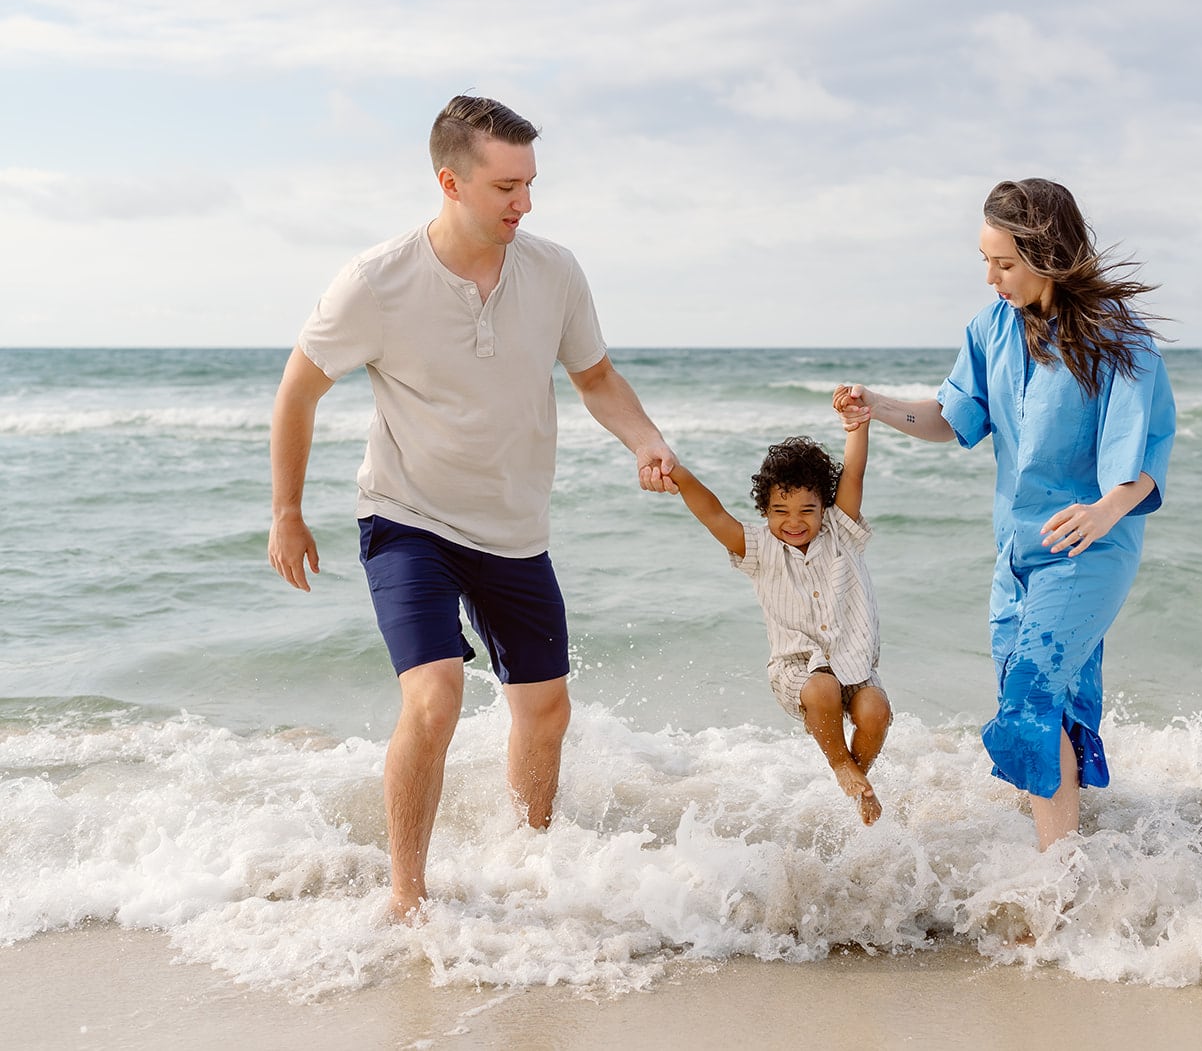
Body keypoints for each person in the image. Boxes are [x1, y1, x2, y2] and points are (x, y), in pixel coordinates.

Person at [267, 95, 678, 921]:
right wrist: (286, 510)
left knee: (545, 708)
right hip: (405, 516)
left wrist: (644, 439)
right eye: (505, 187)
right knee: (437, 694)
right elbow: (298, 390)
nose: (524, 202)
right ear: (450, 182)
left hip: (514, 527)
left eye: (529, 183)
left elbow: (595, 377)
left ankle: (530, 866)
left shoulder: (554, 270)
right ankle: (406, 895)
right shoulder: (376, 282)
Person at [835, 178, 1175, 851]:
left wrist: (1106, 510)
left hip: (1089, 550)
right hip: (1015, 557)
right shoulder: (990, 328)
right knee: (1043, 700)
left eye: (1006, 263)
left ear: (1049, 254)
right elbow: (954, 418)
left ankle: (1057, 889)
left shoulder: (1118, 339)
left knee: (1031, 702)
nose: (991, 278)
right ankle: (1081, 851)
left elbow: (1143, 455)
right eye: (985, 261)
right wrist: (876, 404)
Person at [666, 427, 892, 825]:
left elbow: (854, 472)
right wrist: (680, 475)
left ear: (824, 507)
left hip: (854, 666)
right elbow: (713, 514)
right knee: (822, 688)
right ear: (765, 510)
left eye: (807, 510)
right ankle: (840, 765)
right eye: (780, 511)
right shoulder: (758, 549)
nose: (793, 522)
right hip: (797, 671)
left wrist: (858, 425)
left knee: (876, 711)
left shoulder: (842, 532)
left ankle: (859, 781)